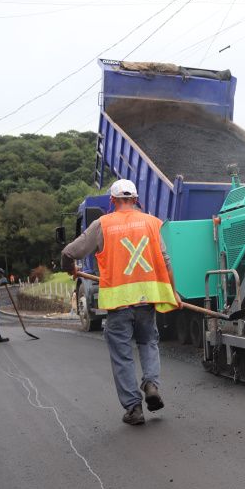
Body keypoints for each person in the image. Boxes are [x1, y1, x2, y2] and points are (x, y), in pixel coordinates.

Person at [61, 179, 182, 426]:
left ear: (112, 201)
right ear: (136, 200)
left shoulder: (102, 224)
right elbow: (166, 262)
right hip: (147, 300)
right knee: (148, 342)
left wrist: (71, 269)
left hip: (118, 305)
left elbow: (68, 253)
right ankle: (151, 384)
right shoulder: (150, 223)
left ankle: (134, 408)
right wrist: (174, 292)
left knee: (122, 354)